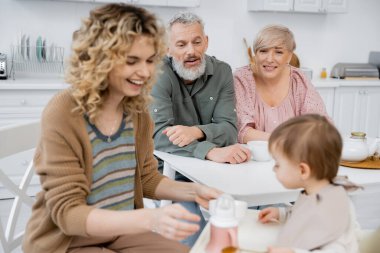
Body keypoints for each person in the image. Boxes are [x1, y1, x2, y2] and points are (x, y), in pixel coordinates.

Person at [22, 4, 221, 253]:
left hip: (121, 231)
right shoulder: (65, 111)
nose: (145, 71)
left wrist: (195, 190)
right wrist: (150, 219)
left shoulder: (137, 111)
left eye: (150, 60)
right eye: (131, 61)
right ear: (100, 58)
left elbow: (146, 178)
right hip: (67, 241)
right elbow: (69, 214)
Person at [150, 12, 250, 246]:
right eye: (181, 44)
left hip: (217, 171)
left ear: (206, 41)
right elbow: (158, 137)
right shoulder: (157, 75)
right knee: (192, 229)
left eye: (196, 42)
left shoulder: (223, 71)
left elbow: (229, 129)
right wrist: (210, 150)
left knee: (252, 215)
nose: (191, 51)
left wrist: (196, 131)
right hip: (170, 174)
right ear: (167, 48)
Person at [258, 114, 361, 253]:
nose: (274, 169)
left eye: (278, 164)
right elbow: (304, 217)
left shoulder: (332, 207)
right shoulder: (315, 192)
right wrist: (281, 214)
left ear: (303, 170)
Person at [234, 24, 330, 143]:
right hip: (252, 158)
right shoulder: (242, 79)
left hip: (293, 156)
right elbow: (242, 131)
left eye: (278, 52)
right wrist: (286, 139)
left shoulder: (298, 80)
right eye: (263, 51)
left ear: (289, 56)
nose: (269, 59)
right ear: (255, 54)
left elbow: (319, 125)